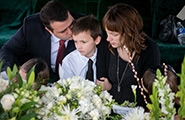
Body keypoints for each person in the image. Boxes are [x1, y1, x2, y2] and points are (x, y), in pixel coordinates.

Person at [0, 0, 84, 82]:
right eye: (63, 31)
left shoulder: (85, 23)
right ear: (49, 30)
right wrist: (10, 73)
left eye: (72, 24)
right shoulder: (31, 25)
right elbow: (8, 49)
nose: (71, 32)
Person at [96, 3, 160, 108]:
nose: (108, 39)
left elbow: (149, 88)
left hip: (138, 110)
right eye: (107, 33)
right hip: (108, 106)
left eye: (114, 35)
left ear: (129, 32)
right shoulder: (105, 45)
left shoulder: (150, 49)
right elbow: (102, 80)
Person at [59, 15, 101, 83]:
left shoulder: (105, 57)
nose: (79, 47)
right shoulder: (69, 61)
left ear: (97, 40)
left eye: (83, 42)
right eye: (75, 42)